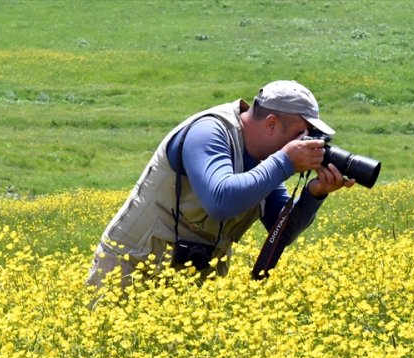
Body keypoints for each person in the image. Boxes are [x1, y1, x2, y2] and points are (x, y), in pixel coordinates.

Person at [86, 80, 353, 287]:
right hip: (130, 274)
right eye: (301, 134)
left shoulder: (263, 159)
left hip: (193, 284)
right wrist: (285, 161)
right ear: (272, 123)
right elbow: (220, 201)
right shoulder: (210, 132)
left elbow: (281, 230)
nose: (306, 143)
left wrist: (314, 194)